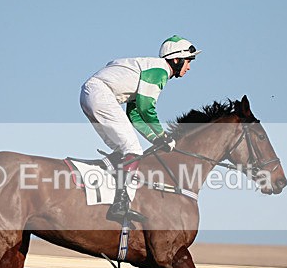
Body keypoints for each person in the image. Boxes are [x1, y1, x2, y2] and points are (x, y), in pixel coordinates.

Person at [80, 35, 201, 222]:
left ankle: (109, 192)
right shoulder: (160, 71)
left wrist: (156, 140)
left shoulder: (150, 68)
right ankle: (121, 203)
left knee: (123, 150)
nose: (189, 67)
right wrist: (163, 135)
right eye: (188, 61)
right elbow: (146, 108)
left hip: (91, 95)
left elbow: (135, 115)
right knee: (133, 150)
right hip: (100, 94)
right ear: (176, 60)